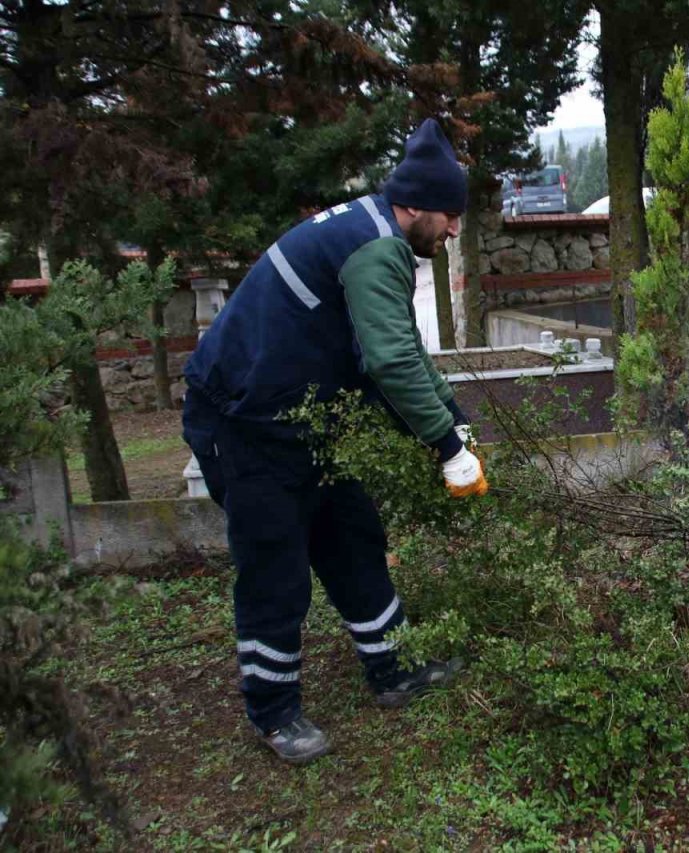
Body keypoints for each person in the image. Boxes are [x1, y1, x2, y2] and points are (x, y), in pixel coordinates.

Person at [182, 118, 488, 765]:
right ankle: (274, 712)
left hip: (304, 423)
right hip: (244, 420)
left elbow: (402, 347)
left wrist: (452, 414)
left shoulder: (374, 232)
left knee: (352, 534)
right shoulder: (376, 247)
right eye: (450, 215)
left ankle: (394, 668)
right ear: (416, 205)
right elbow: (389, 364)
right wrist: (445, 446)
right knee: (276, 566)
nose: (454, 229)